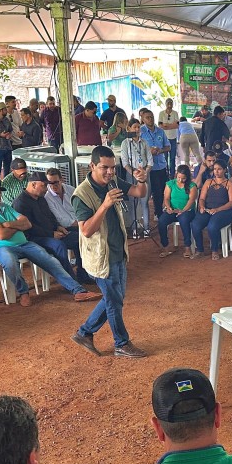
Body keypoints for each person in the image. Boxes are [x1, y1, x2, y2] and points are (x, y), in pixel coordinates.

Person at [70, 146, 149, 359]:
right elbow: (86, 230)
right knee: (114, 300)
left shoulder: (113, 182)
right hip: (100, 257)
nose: (110, 172)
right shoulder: (81, 194)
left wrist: (142, 180)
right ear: (92, 166)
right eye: (105, 167)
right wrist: (104, 206)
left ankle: (84, 333)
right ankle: (121, 343)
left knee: (115, 297)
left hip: (118, 251)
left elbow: (139, 193)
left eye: (113, 167)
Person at [0, 179, 98, 307]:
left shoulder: (5, 207)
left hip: (24, 243)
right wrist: (18, 227)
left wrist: (8, 225)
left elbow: (27, 224)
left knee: (50, 261)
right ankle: (23, 292)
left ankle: (78, 290)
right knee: (10, 262)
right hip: (1, 248)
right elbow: (1, 235)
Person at [193, 161, 232, 259]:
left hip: (224, 211)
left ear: (224, 170)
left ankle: (214, 250)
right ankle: (200, 250)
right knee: (195, 224)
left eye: (219, 169)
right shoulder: (208, 182)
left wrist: (217, 209)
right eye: (215, 169)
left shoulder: (230, 184)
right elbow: (202, 198)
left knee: (212, 226)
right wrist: (202, 206)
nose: (216, 171)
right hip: (208, 210)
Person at [157, 165, 197, 258]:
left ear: (187, 177)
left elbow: (191, 201)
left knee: (184, 220)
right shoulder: (170, 184)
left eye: (183, 178)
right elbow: (166, 198)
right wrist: (168, 207)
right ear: (176, 175)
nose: (180, 180)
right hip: (173, 210)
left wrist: (183, 210)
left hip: (187, 210)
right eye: (179, 177)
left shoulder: (192, 186)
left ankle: (187, 247)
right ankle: (165, 247)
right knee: (161, 221)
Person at [140, 109, 172, 220]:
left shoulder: (160, 131)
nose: (150, 119)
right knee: (155, 191)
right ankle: (157, 213)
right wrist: (149, 151)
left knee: (163, 190)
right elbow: (137, 149)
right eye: (147, 117)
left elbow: (168, 146)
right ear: (143, 119)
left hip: (161, 165)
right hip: (149, 168)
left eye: (152, 117)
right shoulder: (140, 132)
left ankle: (160, 210)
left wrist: (160, 150)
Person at [157, 99, 180, 170]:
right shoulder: (161, 113)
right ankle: (165, 172)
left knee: (172, 158)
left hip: (173, 138)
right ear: (165, 104)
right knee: (164, 157)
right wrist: (171, 125)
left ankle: (172, 173)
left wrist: (166, 125)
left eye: (171, 103)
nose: (169, 105)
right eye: (168, 103)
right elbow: (160, 126)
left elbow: (177, 125)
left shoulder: (175, 113)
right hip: (164, 139)